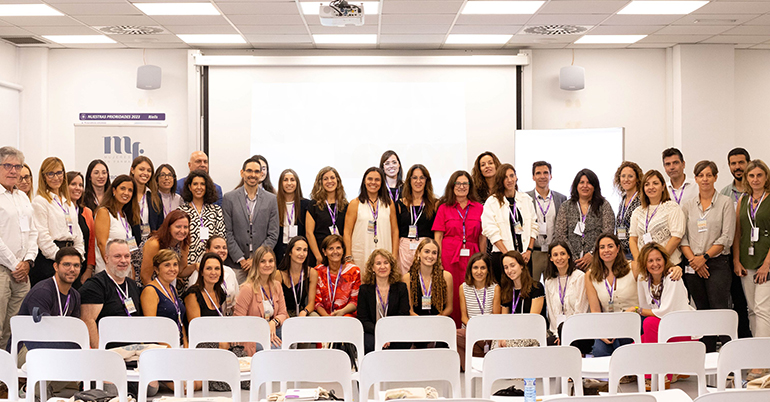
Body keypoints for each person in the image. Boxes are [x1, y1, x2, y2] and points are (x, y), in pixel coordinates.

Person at [680, 160, 735, 351]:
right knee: (701, 311)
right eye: (701, 175)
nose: (705, 179)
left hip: (717, 263)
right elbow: (683, 237)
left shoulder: (725, 203)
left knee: (719, 308)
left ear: (716, 177)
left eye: (709, 175)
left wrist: (704, 257)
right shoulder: (687, 205)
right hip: (693, 264)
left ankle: (729, 356)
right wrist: (694, 261)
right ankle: (708, 355)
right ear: (695, 178)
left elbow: (726, 236)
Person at [432, 170, 485, 327]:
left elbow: (482, 236)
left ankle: (472, 329)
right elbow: (438, 237)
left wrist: (482, 258)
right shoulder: (443, 208)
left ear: (470, 186)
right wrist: (438, 260)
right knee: (452, 293)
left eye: (465, 183)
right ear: (452, 185)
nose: (462, 186)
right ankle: (452, 330)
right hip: (449, 257)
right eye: (458, 183)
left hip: (472, 256)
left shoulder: (479, 208)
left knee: (472, 292)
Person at [0, 146, 37, 349]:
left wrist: (28, 262)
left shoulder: (22, 197)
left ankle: (9, 379)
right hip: (3, 270)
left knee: (16, 330)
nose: (13, 171)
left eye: (17, 166)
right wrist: (16, 265)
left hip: (22, 273)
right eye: (8, 165)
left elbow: (33, 231)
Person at [222, 158, 278, 284]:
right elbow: (227, 232)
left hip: (261, 264)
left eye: (257, 171)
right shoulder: (229, 198)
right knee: (235, 301)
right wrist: (241, 259)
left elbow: (273, 234)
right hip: (236, 264)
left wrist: (257, 259)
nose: (253, 175)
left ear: (261, 174)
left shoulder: (271, 199)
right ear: (242, 173)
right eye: (249, 171)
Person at [79, 239, 143, 349]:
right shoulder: (95, 285)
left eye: (127, 256)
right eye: (117, 256)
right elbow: (87, 321)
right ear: (106, 258)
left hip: (134, 348)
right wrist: (100, 353)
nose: (123, 261)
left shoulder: (132, 285)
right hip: (110, 350)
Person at [31, 157, 85, 286]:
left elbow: (77, 234)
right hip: (51, 261)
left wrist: (77, 258)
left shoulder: (68, 203)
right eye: (51, 173)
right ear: (44, 177)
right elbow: (42, 237)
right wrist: (62, 260)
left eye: (59, 173)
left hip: (70, 256)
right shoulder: (40, 201)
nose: (56, 177)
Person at [585, 234, 641, 357]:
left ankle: (627, 373)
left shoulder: (633, 267)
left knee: (620, 345)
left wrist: (674, 269)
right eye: (602, 247)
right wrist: (600, 332)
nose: (606, 250)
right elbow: (595, 310)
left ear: (618, 249)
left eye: (610, 246)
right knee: (600, 351)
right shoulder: (590, 275)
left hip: (632, 320)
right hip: (608, 324)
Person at [482, 163, 538, 284]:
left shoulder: (526, 199)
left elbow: (534, 226)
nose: (509, 180)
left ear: (516, 177)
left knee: (525, 291)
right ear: (500, 180)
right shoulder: (492, 202)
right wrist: (509, 256)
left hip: (525, 257)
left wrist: (529, 250)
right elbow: (490, 231)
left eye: (512, 176)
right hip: (502, 257)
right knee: (505, 295)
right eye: (505, 177)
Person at [626, 243, 693, 343]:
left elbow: (665, 312)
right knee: (632, 347)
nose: (655, 264)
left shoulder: (673, 277)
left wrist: (636, 309)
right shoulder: (643, 279)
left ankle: (654, 356)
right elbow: (646, 307)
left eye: (658, 259)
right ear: (644, 263)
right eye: (650, 261)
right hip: (660, 326)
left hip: (680, 327)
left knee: (649, 323)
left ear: (665, 260)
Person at [733, 159, 770, 339]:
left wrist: (766, 265)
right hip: (747, 261)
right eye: (752, 175)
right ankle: (757, 355)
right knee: (752, 309)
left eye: (759, 175)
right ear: (747, 177)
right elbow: (738, 232)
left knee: (763, 309)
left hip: (766, 261)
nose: (755, 179)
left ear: (766, 177)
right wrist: (736, 260)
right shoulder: (743, 199)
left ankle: (762, 360)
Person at [719, 148, 752, 339]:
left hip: (757, 253)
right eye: (733, 163)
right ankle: (742, 339)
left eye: (741, 162)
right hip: (733, 255)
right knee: (738, 300)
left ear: (748, 162)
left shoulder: (759, 190)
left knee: (758, 304)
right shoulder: (724, 194)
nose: (737, 167)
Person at [554, 169, 614, 270]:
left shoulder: (603, 205)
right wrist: (574, 257)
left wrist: (592, 254)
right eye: (581, 182)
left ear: (595, 186)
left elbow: (608, 231)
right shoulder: (566, 206)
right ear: (576, 185)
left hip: (597, 260)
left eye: (589, 183)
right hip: (571, 262)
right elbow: (560, 234)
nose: (585, 186)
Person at [234, 246, 287, 352]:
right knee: (279, 349)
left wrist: (273, 322)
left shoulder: (276, 285)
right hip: (252, 335)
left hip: (271, 330)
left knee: (292, 339)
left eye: (270, 261)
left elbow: (283, 313)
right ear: (256, 264)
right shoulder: (247, 288)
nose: (267, 265)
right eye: (263, 261)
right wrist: (263, 328)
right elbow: (239, 321)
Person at [343, 167, 399, 268]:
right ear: (364, 181)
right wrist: (348, 256)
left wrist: (394, 255)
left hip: (385, 251)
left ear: (382, 182)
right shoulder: (355, 203)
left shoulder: (389, 204)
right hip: (361, 253)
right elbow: (347, 232)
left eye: (377, 180)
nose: (373, 182)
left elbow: (394, 231)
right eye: (370, 179)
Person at [358, 249, 410, 354]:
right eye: (378, 263)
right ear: (372, 267)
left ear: (391, 266)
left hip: (395, 331)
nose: (382, 267)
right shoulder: (364, 289)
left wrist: (389, 334)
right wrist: (381, 332)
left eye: (386, 263)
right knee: (369, 343)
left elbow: (403, 315)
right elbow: (363, 319)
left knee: (403, 342)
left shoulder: (401, 288)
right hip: (373, 331)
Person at [629, 170, 686, 266]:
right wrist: (640, 261)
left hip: (669, 264)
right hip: (645, 266)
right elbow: (633, 239)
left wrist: (660, 260)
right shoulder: (638, 211)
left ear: (663, 186)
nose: (651, 187)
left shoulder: (672, 208)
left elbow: (676, 237)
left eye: (655, 183)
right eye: (647, 184)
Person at [543, 241, 590, 352]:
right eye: (555, 255)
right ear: (551, 258)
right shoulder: (549, 281)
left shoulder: (580, 277)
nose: (559, 258)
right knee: (547, 343)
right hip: (558, 332)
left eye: (562, 254)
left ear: (569, 255)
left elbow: (581, 310)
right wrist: (558, 334)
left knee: (569, 343)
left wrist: (566, 333)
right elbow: (552, 314)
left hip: (579, 331)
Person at [456, 253, 500, 371]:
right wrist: (475, 327)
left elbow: (496, 316)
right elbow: (463, 316)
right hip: (470, 330)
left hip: (489, 332)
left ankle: (476, 362)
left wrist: (484, 329)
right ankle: (478, 362)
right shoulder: (463, 287)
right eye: (475, 268)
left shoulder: (495, 288)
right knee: (455, 335)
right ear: (470, 270)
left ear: (488, 270)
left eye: (483, 268)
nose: (479, 272)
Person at [526, 161, 567, 283]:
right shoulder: (525, 198)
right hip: (534, 252)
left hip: (554, 253)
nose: (542, 176)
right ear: (533, 177)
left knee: (556, 286)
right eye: (538, 173)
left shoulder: (561, 199)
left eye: (545, 173)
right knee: (532, 288)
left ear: (551, 176)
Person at [179, 170, 226, 269]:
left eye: (202, 184)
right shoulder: (182, 211)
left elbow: (220, 237)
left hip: (211, 264)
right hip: (188, 264)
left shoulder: (216, 210)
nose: (199, 187)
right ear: (189, 187)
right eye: (195, 184)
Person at [94, 175, 140, 275]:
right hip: (108, 271)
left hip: (123, 270)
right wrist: (111, 267)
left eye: (130, 190)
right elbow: (102, 244)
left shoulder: (125, 216)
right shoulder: (104, 212)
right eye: (122, 188)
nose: (126, 193)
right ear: (114, 191)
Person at [395, 164, 437, 273]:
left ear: (427, 181)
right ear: (409, 181)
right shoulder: (400, 204)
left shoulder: (435, 204)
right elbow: (395, 232)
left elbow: (438, 233)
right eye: (414, 177)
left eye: (422, 177)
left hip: (427, 249)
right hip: (404, 249)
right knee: (405, 282)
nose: (418, 181)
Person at [141, 249, 187, 347]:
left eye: (175, 264)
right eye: (167, 265)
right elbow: (151, 325)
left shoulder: (172, 289)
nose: (172, 269)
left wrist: (186, 344)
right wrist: (167, 347)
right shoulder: (150, 291)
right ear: (156, 269)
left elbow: (179, 318)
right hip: (161, 348)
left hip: (177, 344)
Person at [186, 236, 239, 315]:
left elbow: (236, 301)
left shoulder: (230, 271)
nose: (221, 250)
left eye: (224, 248)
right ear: (207, 250)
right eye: (217, 247)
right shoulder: (197, 273)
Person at [140, 210, 193, 290]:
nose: (182, 231)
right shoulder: (154, 244)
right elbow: (145, 277)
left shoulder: (183, 243)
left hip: (166, 285)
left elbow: (181, 272)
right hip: (145, 286)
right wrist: (163, 296)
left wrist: (195, 266)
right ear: (168, 227)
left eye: (185, 227)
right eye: (178, 227)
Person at [305, 167, 348, 266]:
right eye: (325, 179)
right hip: (320, 254)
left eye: (332, 178)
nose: (329, 181)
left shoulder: (345, 205)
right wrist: (318, 256)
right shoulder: (314, 205)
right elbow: (309, 233)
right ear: (320, 182)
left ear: (337, 181)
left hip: (339, 255)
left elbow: (347, 232)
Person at [403, 238, 452, 317]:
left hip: (439, 322)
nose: (430, 256)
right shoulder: (407, 278)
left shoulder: (446, 276)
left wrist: (435, 320)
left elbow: (449, 308)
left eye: (434, 253)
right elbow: (410, 310)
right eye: (427, 252)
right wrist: (423, 323)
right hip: (417, 323)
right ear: (419, 253)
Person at [314, 234, 360, 317]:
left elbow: (354, 301)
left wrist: (341, 312)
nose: (335, 252)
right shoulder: (317, 271)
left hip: (346, 314)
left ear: (343, 251)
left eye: (338, 248)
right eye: (331, 248)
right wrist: (327, 318)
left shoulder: (354, 271)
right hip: (323, 316)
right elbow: (317, 302)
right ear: (324, 252)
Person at [274, 169, 310, 265]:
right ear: (280, 183)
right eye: (285, 180)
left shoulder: (306, 204)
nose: (289, 183)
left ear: (297, 183)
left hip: (299, 250)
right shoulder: (274, 204)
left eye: (292, 180)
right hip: (279, 250)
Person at [66, 171, 96, 287]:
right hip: (64, 266)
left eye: (80, 185)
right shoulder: (59, 211)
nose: (78, 188)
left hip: (82, 267)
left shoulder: (87, 212)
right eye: (73, 184)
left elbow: (91, 242)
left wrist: (89, 269)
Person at [278, 236, 317, 317]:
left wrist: (305, 311)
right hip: (283, 312)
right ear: (290, 252)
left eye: (305, 250)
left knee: (315, 317)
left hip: (302, 312)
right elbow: (276, 302)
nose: (302, 254)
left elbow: (311, 303)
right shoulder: (278, 274)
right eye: (298, 249)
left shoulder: (312, 273)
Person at [500, 250, 544, 315]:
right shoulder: (507, 290)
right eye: (506, 267)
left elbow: (533, 319)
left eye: (512, 265)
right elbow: (504, 319)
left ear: (521, 265)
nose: (509, 270)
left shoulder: (536, 287)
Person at [184, 252, 227, 319]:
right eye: (209, 268)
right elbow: (195, 326)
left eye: (217, 268)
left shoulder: (220, 292)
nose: (213, 273)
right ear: (201, 272)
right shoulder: (193, 294)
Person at [614, 161, 643, 259]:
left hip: (635, 249)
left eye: (630, 176)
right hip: (622, 250)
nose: (626, 179)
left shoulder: (642, 199)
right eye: (623, 176)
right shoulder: (623, 199)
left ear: (637, 179)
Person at [129, 156, 160, 239]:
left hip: (151, 244)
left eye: (149, 171)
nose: (145, 173)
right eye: (141, 169)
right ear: (132, 170)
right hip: (130, 244)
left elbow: (160, 224)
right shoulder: (127, 195)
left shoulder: (155, 196)